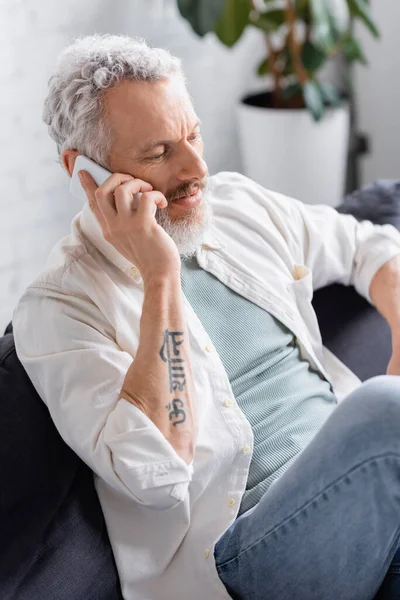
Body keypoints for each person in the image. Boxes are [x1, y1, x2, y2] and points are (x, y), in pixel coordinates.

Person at [12, 33, 400, 600]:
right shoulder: (60, 308)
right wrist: (160, 275)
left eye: (192, 135)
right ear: (85, 172)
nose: (196, 167)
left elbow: (373, 246)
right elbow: (155, 476)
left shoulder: (237, 206)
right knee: (381, 408)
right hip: (250, 559)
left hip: (365, 513)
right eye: (159, 153)